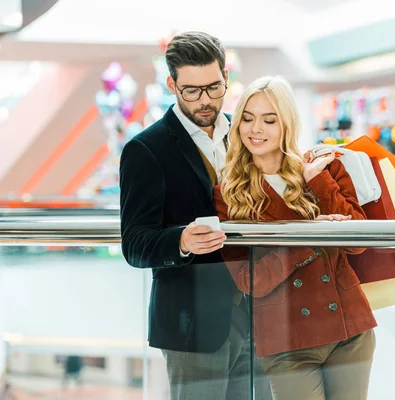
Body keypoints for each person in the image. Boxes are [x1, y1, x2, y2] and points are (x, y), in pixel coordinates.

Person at [120, 31, 267, 399]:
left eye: (214, 88)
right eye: (192, 91)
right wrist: (181, 241)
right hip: (193, 326)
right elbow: (135, 243)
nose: (205, 101)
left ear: (226, 78)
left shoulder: (249, 134)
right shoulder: (145, 150)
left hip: (259, 316)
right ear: (172, 84)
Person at [214, 76, 377, 400]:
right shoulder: (228, 194)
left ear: (286, 123)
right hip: (286, 340)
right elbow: (251, 280)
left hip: (349, 329)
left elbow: (359, 239)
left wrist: (317, 181)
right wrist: (311, 236)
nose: (255, 129)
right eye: (247, 118)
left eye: (268, 120)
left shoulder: (320, 168)